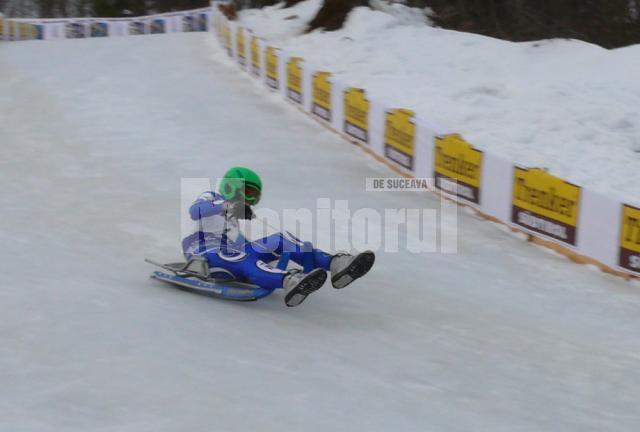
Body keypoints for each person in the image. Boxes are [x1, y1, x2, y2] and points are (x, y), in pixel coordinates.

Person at [181, 167, 375, 307]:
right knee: (243, 258)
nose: (249, 200)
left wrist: (262, 253)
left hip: (230, 254)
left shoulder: (232, 222)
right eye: (247, 192)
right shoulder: (212, 197)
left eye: (253, 196)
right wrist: (228, 206)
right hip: (205, 255)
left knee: (280, 240)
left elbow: (244, 246)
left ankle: (334, 263)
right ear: (232, 186)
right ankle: (288, 281)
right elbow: (195, 211)